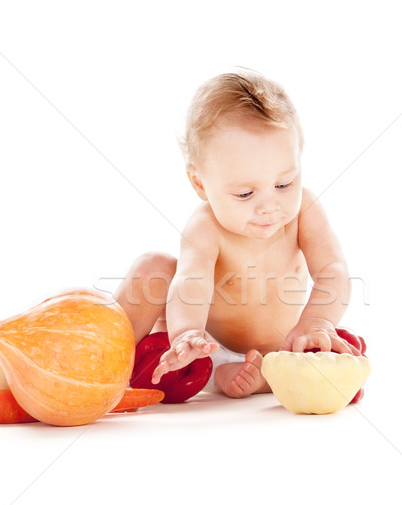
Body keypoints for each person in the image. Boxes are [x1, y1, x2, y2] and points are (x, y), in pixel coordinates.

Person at [115, 68, 361, 399]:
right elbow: (191, 283)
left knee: (339, 354)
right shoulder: (205, 227)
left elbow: (333, 269)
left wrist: (317, 322)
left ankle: (268, 374)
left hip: (287, 343)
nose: (269, 206)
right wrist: (187, 333)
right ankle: (109, 358)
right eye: (246, 194)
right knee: (153, 268)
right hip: (209, 347)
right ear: (200, 184)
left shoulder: (304, 211)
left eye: (284, 184)